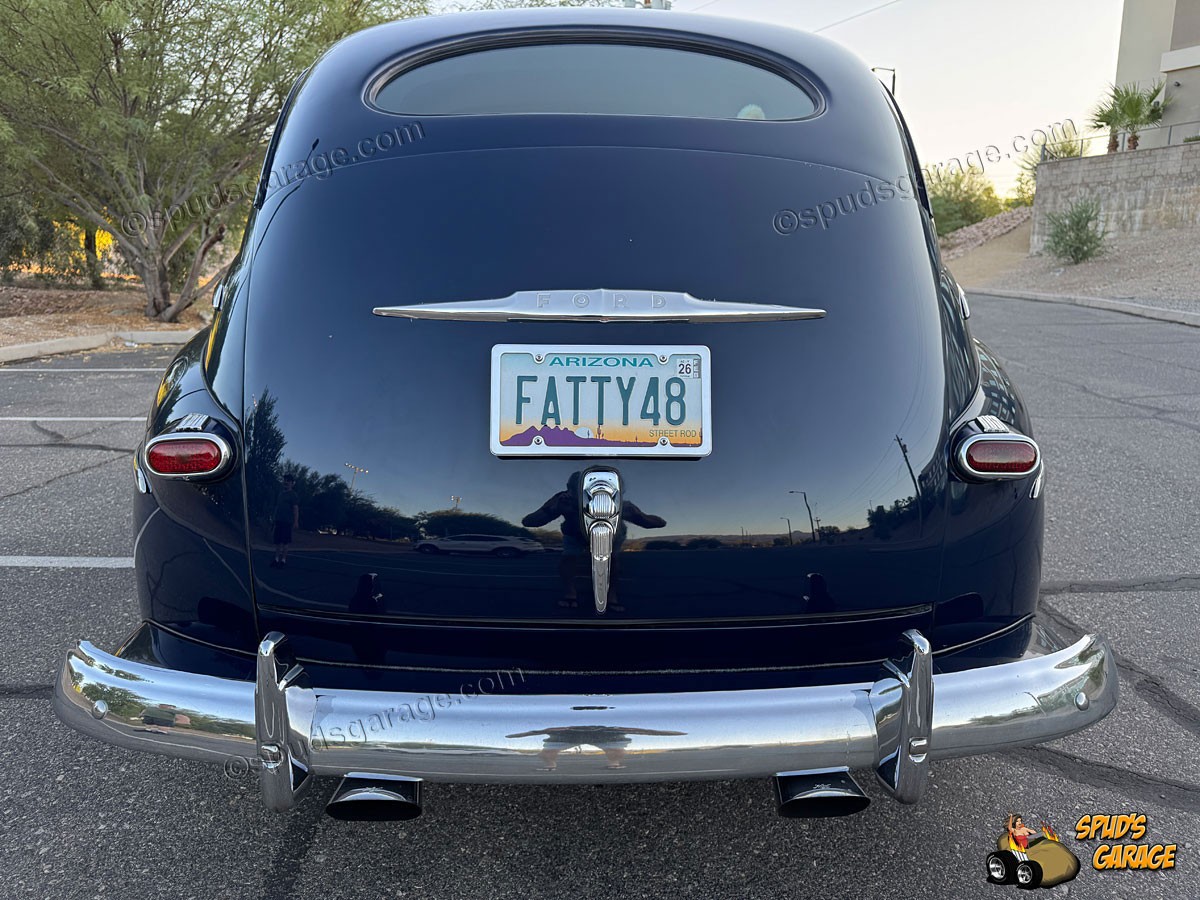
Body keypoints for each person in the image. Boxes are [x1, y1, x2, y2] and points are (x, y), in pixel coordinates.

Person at [271, 474, 300, 568]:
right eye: (285, 480)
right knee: (278, 541)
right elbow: (277, 507)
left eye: (288, 481)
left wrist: (296, 521)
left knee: (285, 542)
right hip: (278, 520)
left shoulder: (293, 495)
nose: (286, 482)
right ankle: (276, 559)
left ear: (292, 483)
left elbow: (295, 509)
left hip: (287, 522)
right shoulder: (281, 494)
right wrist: (274, 517)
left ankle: (283, 560)